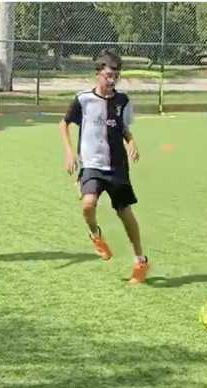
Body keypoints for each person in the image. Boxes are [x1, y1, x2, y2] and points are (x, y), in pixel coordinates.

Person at [59, 49, 150, 284]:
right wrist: (69, 151)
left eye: (116, 76)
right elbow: (64, 123)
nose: (112, 80)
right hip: (91, 164)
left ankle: (140, 261)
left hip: (117, 166)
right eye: (108, 75)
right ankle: (95, 235)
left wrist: (132, 143)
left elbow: (124, 129)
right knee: (88, 205)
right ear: (98, 73)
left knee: (125, 214)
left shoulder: (123, 101)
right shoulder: (83, 99)